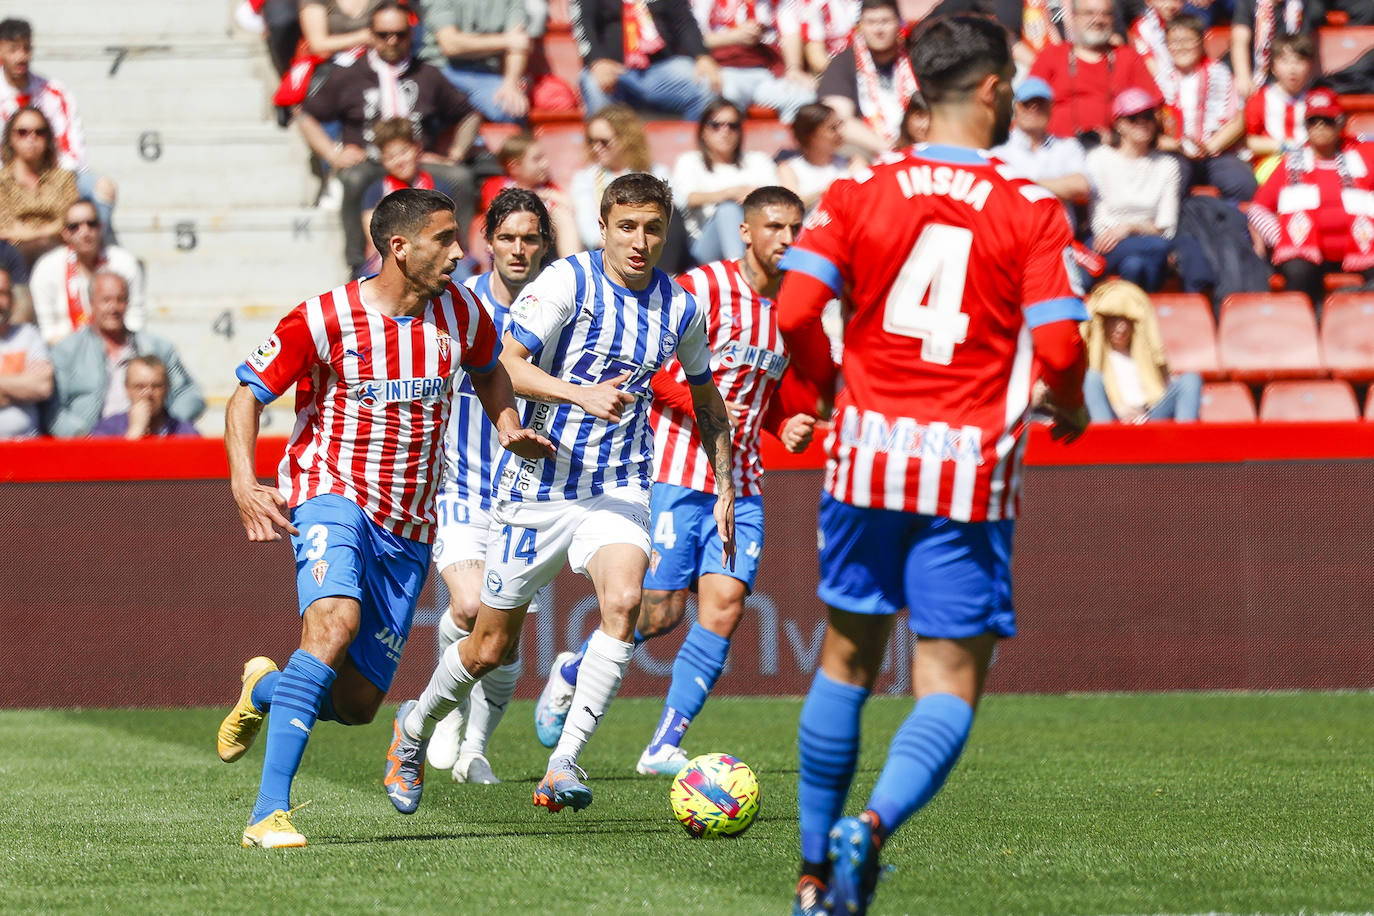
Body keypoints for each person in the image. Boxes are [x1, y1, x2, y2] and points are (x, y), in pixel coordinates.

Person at [775, 15, 1089, 914]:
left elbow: (797, 310)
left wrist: (832, 387)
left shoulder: (855, 191)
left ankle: (808, 875)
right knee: (949, 682)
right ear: (992, 90)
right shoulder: (1030, 208)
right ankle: (867, 830)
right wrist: (1065, 406)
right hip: (967, 471)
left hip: (866, 459)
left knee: (844, 658)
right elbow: (1061, 349)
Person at [379, 173, 735, 818]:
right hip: (538, 487)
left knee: (624, 602)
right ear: (603, 227)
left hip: (619, 484)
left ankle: (563, 763)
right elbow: (501, 363)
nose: (640, 241)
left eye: (653, 228)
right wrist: (578, 393)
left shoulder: (681, 306)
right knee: (488, 645)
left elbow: (705, 394)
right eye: (627, 226)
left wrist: (725, 485)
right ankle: (412, 729)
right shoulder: (568, 281)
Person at [215, 187, 552, 849]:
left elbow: (490, 372)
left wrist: (508, 425)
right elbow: (246, 395)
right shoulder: (325, 317)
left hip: (409, 525)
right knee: (332, 625)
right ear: (399, 247)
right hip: (330, 494)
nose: (462, 251)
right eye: (445, 239)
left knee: (357, 705)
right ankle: (267, 814)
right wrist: (243, 481)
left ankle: (264, 691)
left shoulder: (464, 312)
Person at [530, 186, 817, 773]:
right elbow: (652, 372)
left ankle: (662, 743)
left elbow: (773, 391)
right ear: (745, 231)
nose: (786, 240)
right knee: (659, 612)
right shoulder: (703, 289)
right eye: (774, 227)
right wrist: (702, 406)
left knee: (726, 605)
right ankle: (573, 667)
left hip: (742, 480)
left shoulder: (797, 309)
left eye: (795, 228)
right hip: (674, 471)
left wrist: (787, 424)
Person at [423, 188, 557, 785]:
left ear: (544, 244)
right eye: (507, 237)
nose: (518, 249)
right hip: (463, 485)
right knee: (470, 606)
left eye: (530, 238)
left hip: (530, 494)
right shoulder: (458, 303)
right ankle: (444, 711)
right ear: (488, 242)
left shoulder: (564, 306)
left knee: (500, 641)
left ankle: (476, 746)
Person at [297, 2, 482, 275]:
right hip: (371, 161)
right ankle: (358, 261)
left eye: (400, 34)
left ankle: (458, 253)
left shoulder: (427, 74)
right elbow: (305, 115)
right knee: (354, 178)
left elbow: (469, 114)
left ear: (411, 34)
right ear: (370, 34)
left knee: (462, 178)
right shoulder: (348, 75)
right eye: (383, 34)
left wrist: (454, 153)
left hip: (417, 160)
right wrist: (332, 153)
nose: (392, 41)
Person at [1246, 88, 1374, 312]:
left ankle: (1347, 306)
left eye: (1327, 120)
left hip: (1361, 249)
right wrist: (1283, 238)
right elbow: (1258, 210)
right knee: (1298, 273)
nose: (1320, 127)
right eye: (1313, 121)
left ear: (1340, 122)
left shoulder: (1364, 156)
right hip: (1306, 253)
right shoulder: (1289, 163)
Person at [46, 272, 203, 439]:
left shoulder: (157, 347)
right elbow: (53, 412)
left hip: (153, 440)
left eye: (120, 300)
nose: (113, 308)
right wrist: (88, 440)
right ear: (91, 303)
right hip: (91, 446)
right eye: (106, 300)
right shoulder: (67, 351)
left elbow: (190, 395)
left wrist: (162, 424)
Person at [0, 18, 118, 238]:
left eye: (26, 48)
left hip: (54, 174)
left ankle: (96, 254)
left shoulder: (53, 92)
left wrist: (53, 177)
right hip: (6, 179)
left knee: (104, 188)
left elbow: (74, 150)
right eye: (13, 49)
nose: (21, 56)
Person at [1084, 88, 1185, 292]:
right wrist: (1119, 233)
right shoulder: (1099, 159)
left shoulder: (1167, 165)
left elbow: (1166, 228)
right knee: (1159, 250)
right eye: (1133, 118)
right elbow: (1099, 224)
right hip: (1106, 242)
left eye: (1147, 116)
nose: (1142, 123)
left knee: (1136, 265)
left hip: (1146, 240)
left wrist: (1130, 228)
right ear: (1119, 124)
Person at [1153, 14, 1255, 201]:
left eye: (1188, 41)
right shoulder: (1160, 80)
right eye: (1174, 42)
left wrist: (1209, 147)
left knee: (1243, 183)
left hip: (1215, 151)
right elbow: (1151, 128)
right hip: (1175, 152)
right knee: (1169, 180)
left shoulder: (1221, 74)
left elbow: (1238, 121)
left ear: (1201, 42)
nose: (1181, 47)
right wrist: (1175, 145)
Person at [1028, 0, 1157, 144]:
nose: (1098, 20)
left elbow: (1151, 111)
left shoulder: (1129, 58)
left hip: (1114, 152)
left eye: (1105, 14)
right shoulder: (1050, 56)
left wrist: (1116, 139)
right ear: (1074, 17)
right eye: (1089, 13)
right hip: (1055, 152)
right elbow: (1027, 109)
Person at [672, 99, 780, 266]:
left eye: (733, 126)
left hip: (756, 239)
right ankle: (741, 276)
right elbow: (686, 198)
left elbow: (779, 199)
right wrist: (730, 193)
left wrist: (753, 198)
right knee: (728, 210)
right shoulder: (689, 161)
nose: (725, 131)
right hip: (703, 248)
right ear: (703, 131)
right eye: (716, 125)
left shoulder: (759, 161)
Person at [572, 0, 721, 121]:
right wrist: (597, 61)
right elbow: (583, 22)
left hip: (661, 70)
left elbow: (684, 21)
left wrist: (703, 56)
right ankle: (608, 155)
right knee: (593, 84)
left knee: (706, 83)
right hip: (615, 71)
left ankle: (695, 152)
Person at [1081, 278, 1201, 422]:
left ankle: (1184, 441)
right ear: (1103, 323)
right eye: (1114, 319)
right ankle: (1104, 442)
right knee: (1091, 379)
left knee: (1190, 380)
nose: (1121, 327)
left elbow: (1167, 387)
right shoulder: (1091, 358)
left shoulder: (1147, 353)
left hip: (1150, 417)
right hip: (1113, 419)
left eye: (1126, 320)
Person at [30, 198, 145, 347]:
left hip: (117, 348)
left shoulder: (124, 263)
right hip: (65, 352)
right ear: (65, 234)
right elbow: (48, 330)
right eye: (74, 227)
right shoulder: (46, 268)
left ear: (101, 227)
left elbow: (135, 319)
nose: (84, 232)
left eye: (91, 224)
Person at [816, 0, 918, 157]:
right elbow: (839, 120)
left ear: (899, 23)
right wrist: (890, 148)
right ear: (860, 26)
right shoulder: (843, 63)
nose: (878, 29)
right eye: (871, 22)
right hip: (868, 150)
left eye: (885, 21)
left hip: (917, 145)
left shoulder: (917, 58)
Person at [691, 0, 817, 123]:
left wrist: (794, 68)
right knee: (728, 96)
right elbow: (693, 38)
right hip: (725, 71)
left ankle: (788, 143)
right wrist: (734, 36)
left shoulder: (776, 2)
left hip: (767, 74)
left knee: (804, 97)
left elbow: (790, 33)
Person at [989, 77, 1090, 217]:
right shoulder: (999, 149)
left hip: (1059, 235)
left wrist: (1022, 185)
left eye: (1040, 103)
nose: (1034, 108)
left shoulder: (1067, 146)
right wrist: (1058, 188)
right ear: (1015, 107)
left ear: (1050, 108)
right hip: (1017, 232)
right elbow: (998, 193)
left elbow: (1080, 186)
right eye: (1027, 103)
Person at [419, 0, 534, 123]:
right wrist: (506, 41)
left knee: (512, 109)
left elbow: (520, 44)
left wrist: (511, 84)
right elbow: (450, 45)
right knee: (427, 115)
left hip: (483, 72)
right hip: (440, 68)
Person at [479, 133, 581, 257]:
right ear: (514, 166)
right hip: (511, 241)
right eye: (537, 159)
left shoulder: (547, 187)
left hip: (543, 244)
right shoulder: (497, 184)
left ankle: (572, 266)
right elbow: (493, 213)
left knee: (562, 215)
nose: (545, 164)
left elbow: (568, 205)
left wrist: (548, 194)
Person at [0, 106, 77, 268]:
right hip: (12, 258)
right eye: (22, 132)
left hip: (57, 253)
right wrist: (49, 231)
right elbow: (5, 230)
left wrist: (29, 233)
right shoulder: (2, 181)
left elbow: (70, 223)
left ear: (47, 138)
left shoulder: (63, 179)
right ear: (11, 138)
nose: (31, 138)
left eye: (39, 132)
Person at [1244, 31, 1317, 180]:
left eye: (1299, 61)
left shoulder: (1316, 100)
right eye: (1285, 61)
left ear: (1309, 66)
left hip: (1310, 163)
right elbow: (1248, 141)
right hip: (1271, 163)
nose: (1292, 69)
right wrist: (1283, 146)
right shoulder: (1259, 99)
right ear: (1273, 67)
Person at [88, 354, 201, 438]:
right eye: (140, 386)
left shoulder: (185, 433)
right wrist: (135, 432)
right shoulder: (107, 430)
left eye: (156, 386)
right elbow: (101, 467)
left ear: (167, 388)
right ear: (127, 389)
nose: (148, 393)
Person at [1230, 0, 1323, 101]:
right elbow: (1239, 41)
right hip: (1256, 73)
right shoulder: (1249, 3)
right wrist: (1243, 77)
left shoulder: (1302, 5)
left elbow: (1304, 48)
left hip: (1287, 75)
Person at [778, 102, 861, 213]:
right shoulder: (788, 169)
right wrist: (830, 190)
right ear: (810, 136)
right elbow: (792, 208)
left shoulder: (853, 162)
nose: (840, 133)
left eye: (840, 125)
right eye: (832, 128)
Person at [0, 266, 51, 440]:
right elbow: (32, 386)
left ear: (12, 299)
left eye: (3, 293)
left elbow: (43, 386)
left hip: (26, 446)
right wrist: (20, 386)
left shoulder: (29, 335)